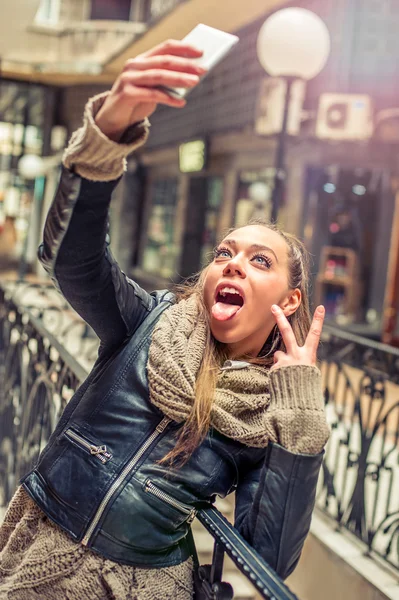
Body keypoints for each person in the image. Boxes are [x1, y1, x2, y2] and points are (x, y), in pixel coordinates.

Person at [0, 39, 330, 600]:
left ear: (291, 301)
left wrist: (301, 409)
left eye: (260, 260)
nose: (233, 265)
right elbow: (71, 262)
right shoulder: (147, 323)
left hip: (147, 587)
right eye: (224, 253)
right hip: (44, 551)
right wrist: (107, 136)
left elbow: (267, 555)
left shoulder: (277, 409)